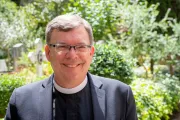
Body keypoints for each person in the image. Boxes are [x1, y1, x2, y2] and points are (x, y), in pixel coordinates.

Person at [5, 14, 137, 120]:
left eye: (81, 46)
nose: (72, 55)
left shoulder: (120, 96)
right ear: (48, 52)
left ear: (91, 52)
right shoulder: (22, 100)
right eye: (62, 46)